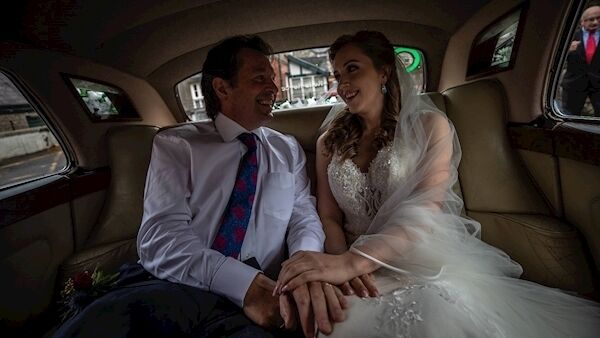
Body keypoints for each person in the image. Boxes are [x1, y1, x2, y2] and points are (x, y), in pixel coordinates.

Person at [275, 31, 600, 337]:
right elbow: (328, 216)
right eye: (337, 75)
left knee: (431, 317)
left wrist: (355, 261)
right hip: (347, 258)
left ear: (384, 73)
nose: (342, 83)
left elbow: (424, 209)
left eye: (352, 69)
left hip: (415, 257)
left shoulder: (431, 126)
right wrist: (341, 263)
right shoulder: (328, 142)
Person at [53, 35, 348, 338]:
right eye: (260, 78)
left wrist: (305, 265)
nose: (274, 88)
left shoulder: (287, 149)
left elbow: (303, 216)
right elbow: (160, 238)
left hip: (265, 295)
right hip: (178, 285)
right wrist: (242, 285)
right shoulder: (178, 145)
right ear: (222, 88)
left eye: (272, 79)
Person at [561, 3, 600, 117]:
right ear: (582, 22)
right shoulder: (567, 36)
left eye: (598, 18)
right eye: (591, 19)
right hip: (574, 85)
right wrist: (566, 50)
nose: (595, 22)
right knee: (569, 118)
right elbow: (552, 58)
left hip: (598, 86)